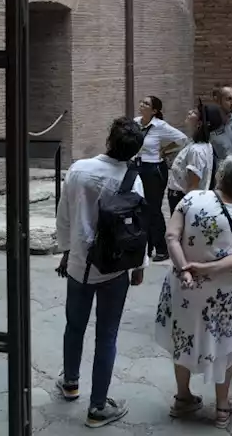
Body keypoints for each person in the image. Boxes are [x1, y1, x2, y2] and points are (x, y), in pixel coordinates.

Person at [55, 117, 149, 428]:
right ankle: (97, 407)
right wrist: (139, 266)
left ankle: (70, 382)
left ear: (110, 139)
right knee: (106, 336)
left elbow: (64, 215)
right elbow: (137, 228)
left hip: (80, 265)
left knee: (74, 326)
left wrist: (66, 252)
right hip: (114, 269)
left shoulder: (79, 169)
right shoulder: (131, 180)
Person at [154, 155, 232, 430]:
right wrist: (205, 268)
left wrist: (186, 270)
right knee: (225, 346)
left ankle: (183, 397)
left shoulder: (191, 199)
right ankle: (222, 409)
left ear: (220, 176)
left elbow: (171, 237)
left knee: (182, 340)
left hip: (183, 288)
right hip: (222, 294)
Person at [134, 95, 189, 262]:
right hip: (138, 166)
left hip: (154, 169)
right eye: (142, 102)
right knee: (139, 207)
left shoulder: (160, 125)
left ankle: (161, 248)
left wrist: (165, 150)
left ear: (154, 110)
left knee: (153, 208)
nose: (142, 105)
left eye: (146, 104)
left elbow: (182, 139)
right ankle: (146, 247)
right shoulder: (136, 122)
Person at [165, 102, 222, 214]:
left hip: (183, 200)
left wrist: (184, 212)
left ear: (200, 123)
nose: (189, 112)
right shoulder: (193, 143)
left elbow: (193, 186)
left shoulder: (197, 150)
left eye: (194, 112)